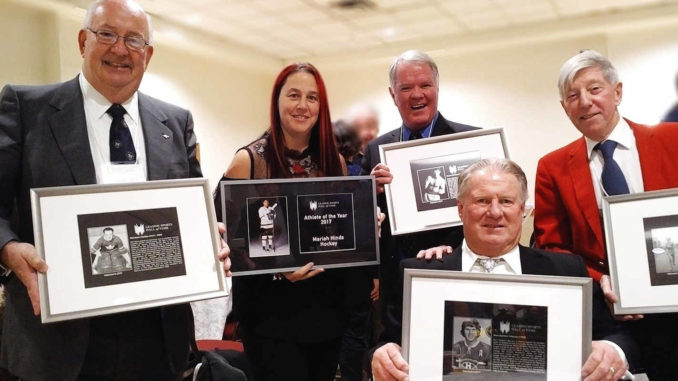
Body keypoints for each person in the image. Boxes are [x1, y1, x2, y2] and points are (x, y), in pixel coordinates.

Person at [0, 1, 230, 379]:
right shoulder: (27, 109)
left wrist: (209, 239)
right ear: (82, 41)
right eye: (106, 34)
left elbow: (192, 210)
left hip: (157, 338)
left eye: (134, 40)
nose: (120, 49)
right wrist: (9, 250)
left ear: (148, 54)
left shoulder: (174, 122)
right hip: (57, 342)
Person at [370, 158, 639, 381]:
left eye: (507, 202)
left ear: (523, 209)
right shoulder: (421, 275)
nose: (495, 212)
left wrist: (613, 350)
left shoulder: (565, 271)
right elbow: (386, 344)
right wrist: (380, 357)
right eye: (482, 201)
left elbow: (618, 336)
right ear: (461, 209)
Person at [533, 50, 678, 379]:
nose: (585, 102)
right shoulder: (552, 168)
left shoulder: (673, 140)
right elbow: (553, 249)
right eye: (573, 95)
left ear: (618, 92)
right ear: (564, 108)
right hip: (609, 321)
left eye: (595, 89)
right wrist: (600, 283)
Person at [221, 62, 348, 381]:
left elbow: (339, 234)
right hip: (269, 316)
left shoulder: (336, 162)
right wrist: (277, 269)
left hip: (325, 313)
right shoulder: (248, 161)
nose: (303, 106)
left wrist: (363, 226)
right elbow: (227, 243)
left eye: (312, 97)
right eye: (294, 95)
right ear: (277, 101)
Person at [360, 49, 479, 341]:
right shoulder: (377, 149)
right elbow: (365, 222)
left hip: (454, 272)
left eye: (425, 85)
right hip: (395, 283)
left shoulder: (470, 143)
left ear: (437, 88)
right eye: (406, 88)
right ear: (392, 94)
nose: (417, 95)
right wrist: (370, 192)